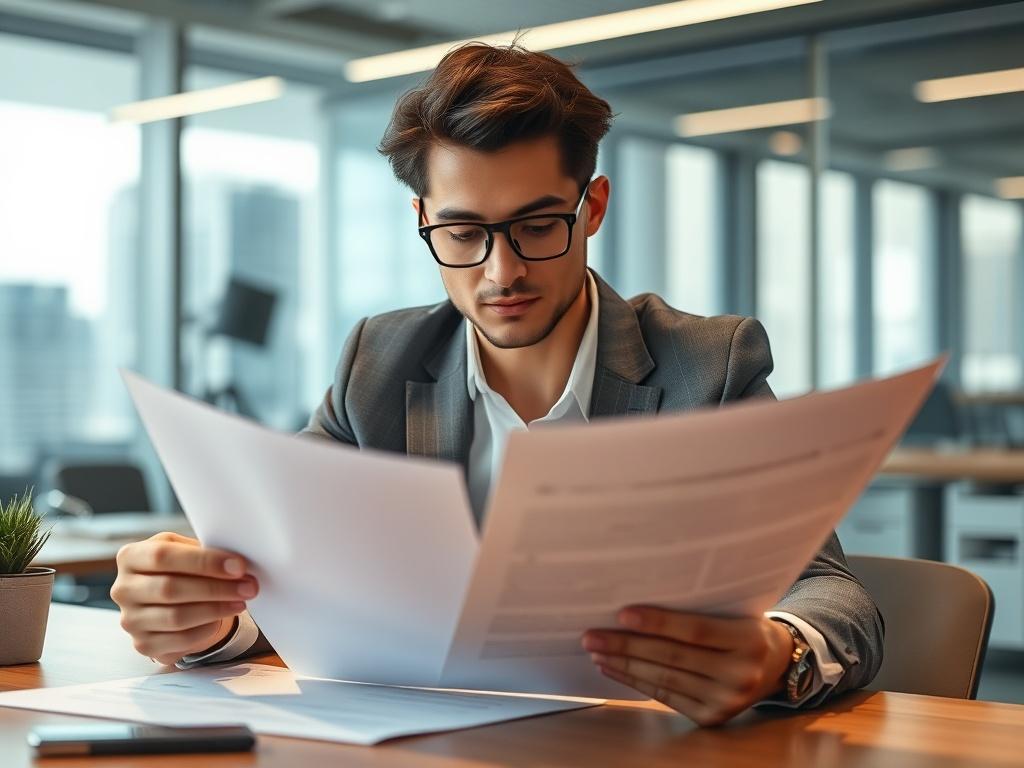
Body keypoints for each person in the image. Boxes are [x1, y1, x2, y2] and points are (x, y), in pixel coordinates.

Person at [112, 42, 882, 727]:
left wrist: (778, 652)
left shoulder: (707, 366)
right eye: (462, 232)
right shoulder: (377, 362)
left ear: (594, 208)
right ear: (422, 219)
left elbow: (832, 592)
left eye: (538, 225)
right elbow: (297, 582)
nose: (501, 270)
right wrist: (207, 620)